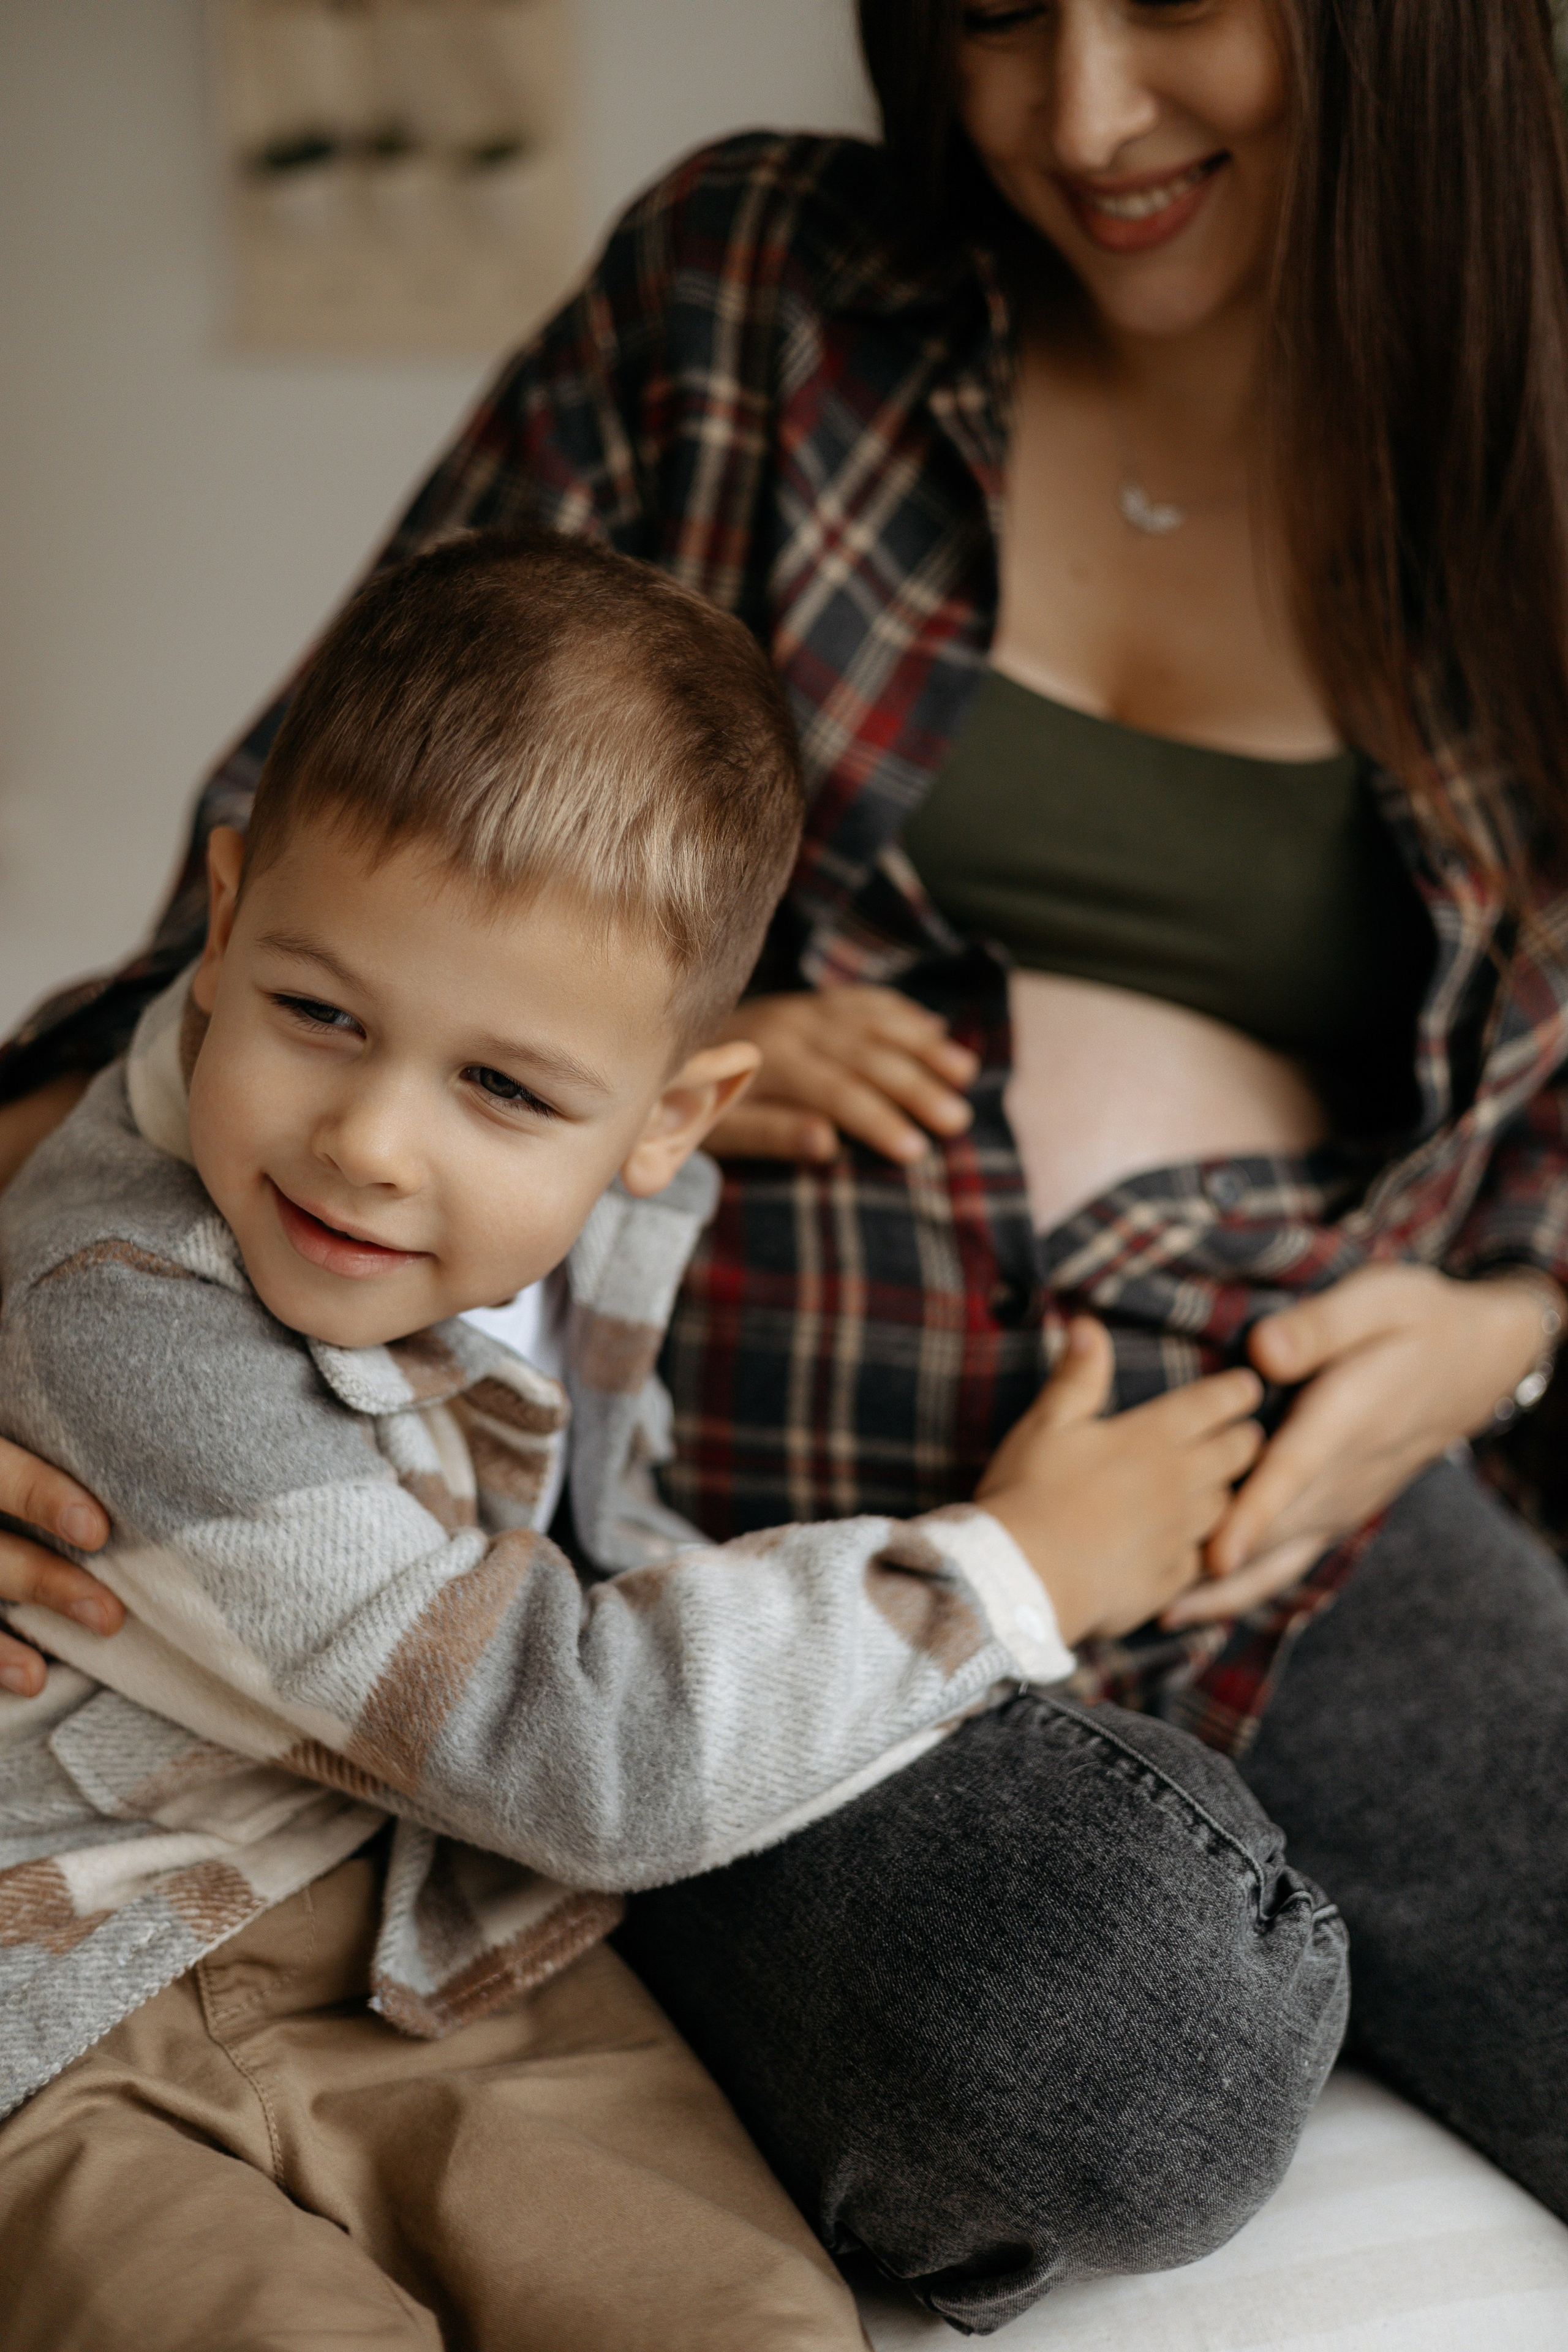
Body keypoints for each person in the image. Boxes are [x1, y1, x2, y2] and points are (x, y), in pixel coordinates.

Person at [4, 0, 1566, 2317]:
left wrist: (1513, 1323)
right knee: (1127, 2032)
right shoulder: (759, 292)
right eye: (996, 13)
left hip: (1281, 1481)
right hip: (702, 1500)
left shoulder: (1535, 437)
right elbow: (289, 902)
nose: (1082, 113)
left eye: (1175, 0)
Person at [0, 528, 1338, 2350]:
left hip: (447, 1934)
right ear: (222, 925)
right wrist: (1013, 1569)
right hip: (76, 1994)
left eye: (502, 1085)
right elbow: (566, 1742)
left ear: (671, 1114)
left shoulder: (602, 1194)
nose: (371, 1142)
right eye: (318, 1014)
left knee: (747, 2319)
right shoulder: (125, 1304)